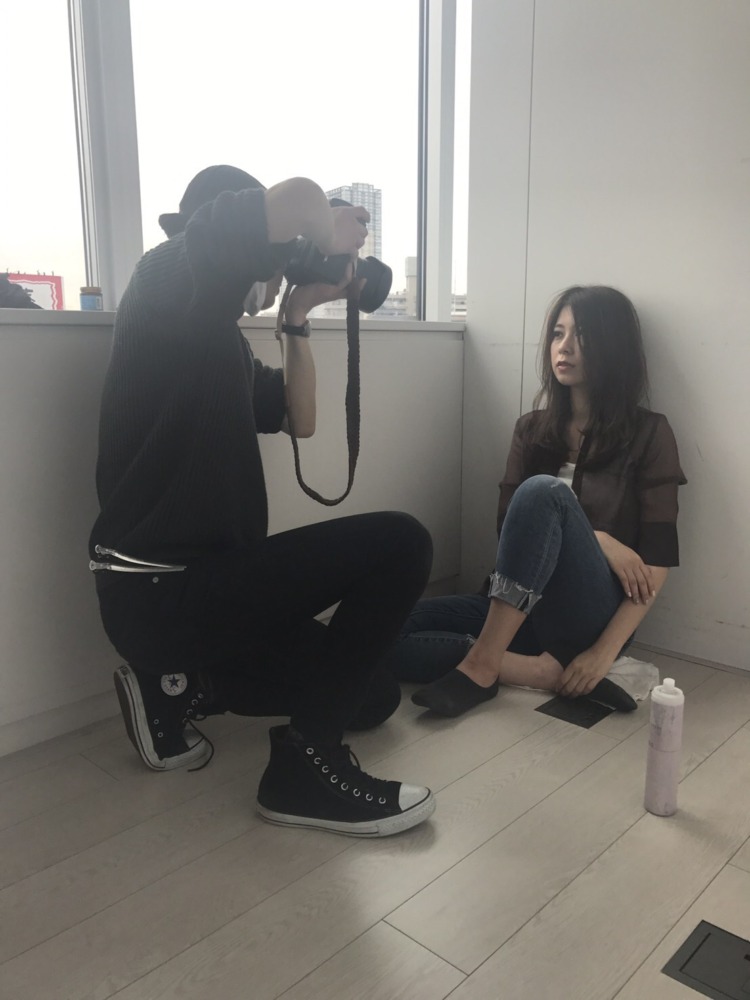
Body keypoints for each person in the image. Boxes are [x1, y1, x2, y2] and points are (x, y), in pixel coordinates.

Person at [89, 164, 436, 837]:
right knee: (402, 543)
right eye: (271, 261)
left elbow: (300, 418)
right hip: (158, 593)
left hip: (213, 593)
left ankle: (179, 687)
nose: (272, 276)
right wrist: (324, 224)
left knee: (372, 696)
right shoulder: (162, 281)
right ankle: (303, 772)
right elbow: (296, 199)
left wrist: (297, 316)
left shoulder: (214, 340)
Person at [382, 285, 686, 717]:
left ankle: (483, 666)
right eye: (558, 334)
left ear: (614, 346)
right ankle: (537, 672)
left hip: (590, 614)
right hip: (517, 607)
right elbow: (513, 530)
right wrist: (601, 538)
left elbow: (655, 562)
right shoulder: (531, 430)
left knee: (544, 490)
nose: (565, 347)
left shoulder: (650, 434)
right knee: (381, 631)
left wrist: (602, 653)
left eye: (582, 336)